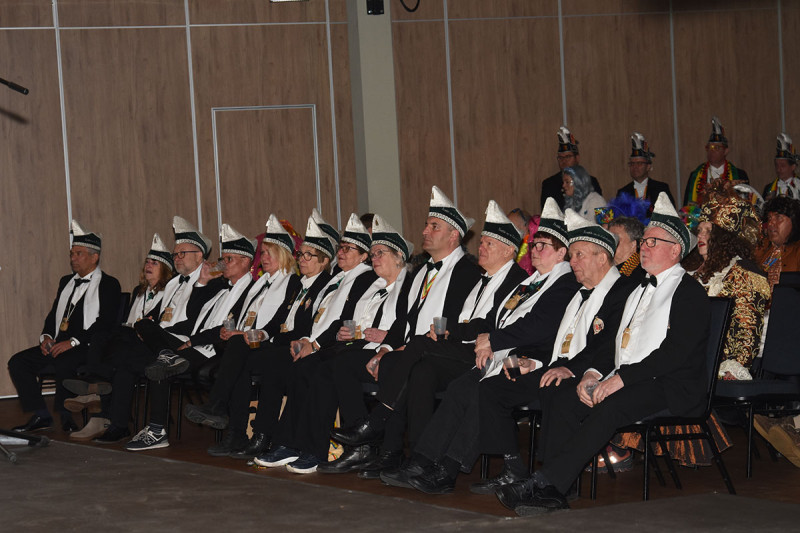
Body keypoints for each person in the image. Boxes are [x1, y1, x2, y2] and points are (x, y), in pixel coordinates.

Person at [496, 192, 710, 515]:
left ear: (676, 250)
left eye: (653, 242)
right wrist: (593, 374)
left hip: (671, 385)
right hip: (638, 379)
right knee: (565, 394)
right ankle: (557, 487)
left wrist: (620, 379)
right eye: (644, 241)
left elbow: (674, 355)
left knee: (611, 405)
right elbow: (616, 343)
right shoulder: (637, 288)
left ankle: (545, 483)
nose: (644, 247)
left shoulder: (690, 293)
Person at [326, 200, 528, 475]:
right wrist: (387, 347)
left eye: (434, 226)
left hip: (465, 352)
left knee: (407, 358)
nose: (425, 231)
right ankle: (407, 456)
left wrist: (418, 343)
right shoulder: (422, 271)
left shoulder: (469, 272)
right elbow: (405, 319)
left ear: (453, 235)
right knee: (407, 368)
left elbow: (480, 325)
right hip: (431, 350)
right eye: (426, 225)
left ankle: (379, 426)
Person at [188, 215, 334, 460]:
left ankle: (238, 423)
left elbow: (304, 327)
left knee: (244, 358)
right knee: (239, 356)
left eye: (269, 253)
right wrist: (256, 333)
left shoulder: (303, 283)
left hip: (295, 347)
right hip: (277, 343)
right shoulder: (297, 284)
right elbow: (278, 321)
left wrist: (261, 336)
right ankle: (238, 431)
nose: (263, 258)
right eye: (262, 253)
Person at [92, 216, 225, 444]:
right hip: (162, 341)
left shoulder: (212, 281)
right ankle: (118, 425)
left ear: (199, 256)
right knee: (125, 359)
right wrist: (152, 325)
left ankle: (101, 380)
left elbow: (195, 321)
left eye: (182, 253)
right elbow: (160, 315)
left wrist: (201, 284)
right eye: (175, 254)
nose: (177, 258)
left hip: (185, 341)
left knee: (140, 328)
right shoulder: (173, 282)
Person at [124, 223, 257, 451]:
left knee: (160, 362)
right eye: (222, 259)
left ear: (246, 262)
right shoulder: (221, 287)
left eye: (228, 259)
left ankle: (157, 430)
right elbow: (194, 315)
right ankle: (157, 428)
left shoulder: (250, 290)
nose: (222, 263)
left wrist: (191, 341)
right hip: (198, 343)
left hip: (213, 349)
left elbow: (226, 328)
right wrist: (203, 281)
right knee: (148, 334)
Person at [9, 220, 121, 433]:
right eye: (72, 254)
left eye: (78, 254)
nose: (73, 258)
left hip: (88, 346)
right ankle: (41, 415)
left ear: (94, 257)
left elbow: (105, 323)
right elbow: (53, 315)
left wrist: (73, 342)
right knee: (17, 362)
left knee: (63, 361)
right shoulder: (65, 282)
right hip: (60, 344)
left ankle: (66, 415)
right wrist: (46, 337)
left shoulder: (109, 284)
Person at [64, 233, 174, 441]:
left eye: (155, 263)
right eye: (147, 262)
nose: (148, 266)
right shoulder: (139, 291)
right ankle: (99, 393)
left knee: (118, 363)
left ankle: (96, 393)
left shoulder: (170, 293)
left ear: (166, 270)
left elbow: (163, 327)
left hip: (148, 346)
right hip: (128, 342)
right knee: (101, 338)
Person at [686, 195, 770, 380]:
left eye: (708, 231)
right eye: (700, 230)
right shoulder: (689, 270)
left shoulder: (744, 273)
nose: (700, 235)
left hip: (718, 363)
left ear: (723, 237)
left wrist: (736, 365)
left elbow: (748, 326)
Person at [683, 117, 749, 206]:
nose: (712, 150)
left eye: (717, 147)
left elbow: (746, 205)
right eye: (709, 147)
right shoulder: (695, 175)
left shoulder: (740, 175)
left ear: (726, 151)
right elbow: (687, 207)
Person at [540, 126, 602, 210]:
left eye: (568, 157)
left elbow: (601, 213)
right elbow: (547, 213)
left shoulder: (590, 182)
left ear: (577, 158)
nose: (564, 161)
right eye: (560, 157)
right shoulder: (550, 184)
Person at [616, 132, 675, 207]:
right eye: (632, 164)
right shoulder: (623, 192)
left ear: (648, 166)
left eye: (639, 163)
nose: (635, 167)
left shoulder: (660, 189)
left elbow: (670, 212)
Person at [755, 197, 800, 290]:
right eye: (769, 218)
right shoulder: (762, 247)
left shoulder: (797, 251)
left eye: (778, 217)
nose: (770, 223)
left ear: (794, 221)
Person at [762, 133, 799, 200]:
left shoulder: (798, 186)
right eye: (776, 165)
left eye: (783, 165)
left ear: (793, 167)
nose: (778, 169)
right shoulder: (768, 189)